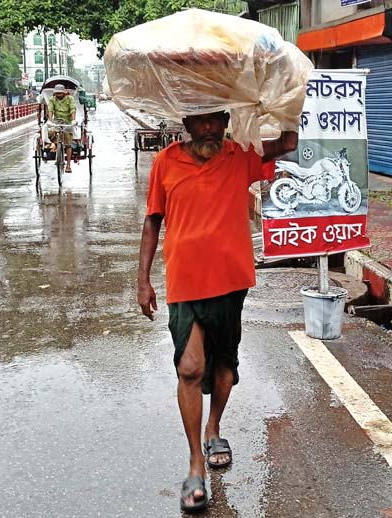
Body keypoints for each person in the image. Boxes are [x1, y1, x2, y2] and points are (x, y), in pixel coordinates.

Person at [137, 111, 298, 513]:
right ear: (186, 123)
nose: (208, 129)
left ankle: (214, 427)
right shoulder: (166, 162)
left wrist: (282, 102)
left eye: (215, 120)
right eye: (200, 121)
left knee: (225, 363)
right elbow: (152, 221)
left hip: (230, 281)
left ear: (226, 120)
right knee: (190, 368)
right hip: (185, 284)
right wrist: (142, 280)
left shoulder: (240, 154)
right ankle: (196, 463)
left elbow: (289, 143)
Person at [47, 84, 77, 173]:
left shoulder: (70, 99)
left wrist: (73, 120)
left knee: (68, 144)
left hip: (67, 122)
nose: (58, 95)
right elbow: (50, 110)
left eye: (60, 93)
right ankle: (56, 145)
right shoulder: (52, 99)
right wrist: (50, 120)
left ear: (64, 93)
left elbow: (72, 110)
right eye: (57, 94)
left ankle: (68, 165)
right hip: (56, 122)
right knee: (50, 132)